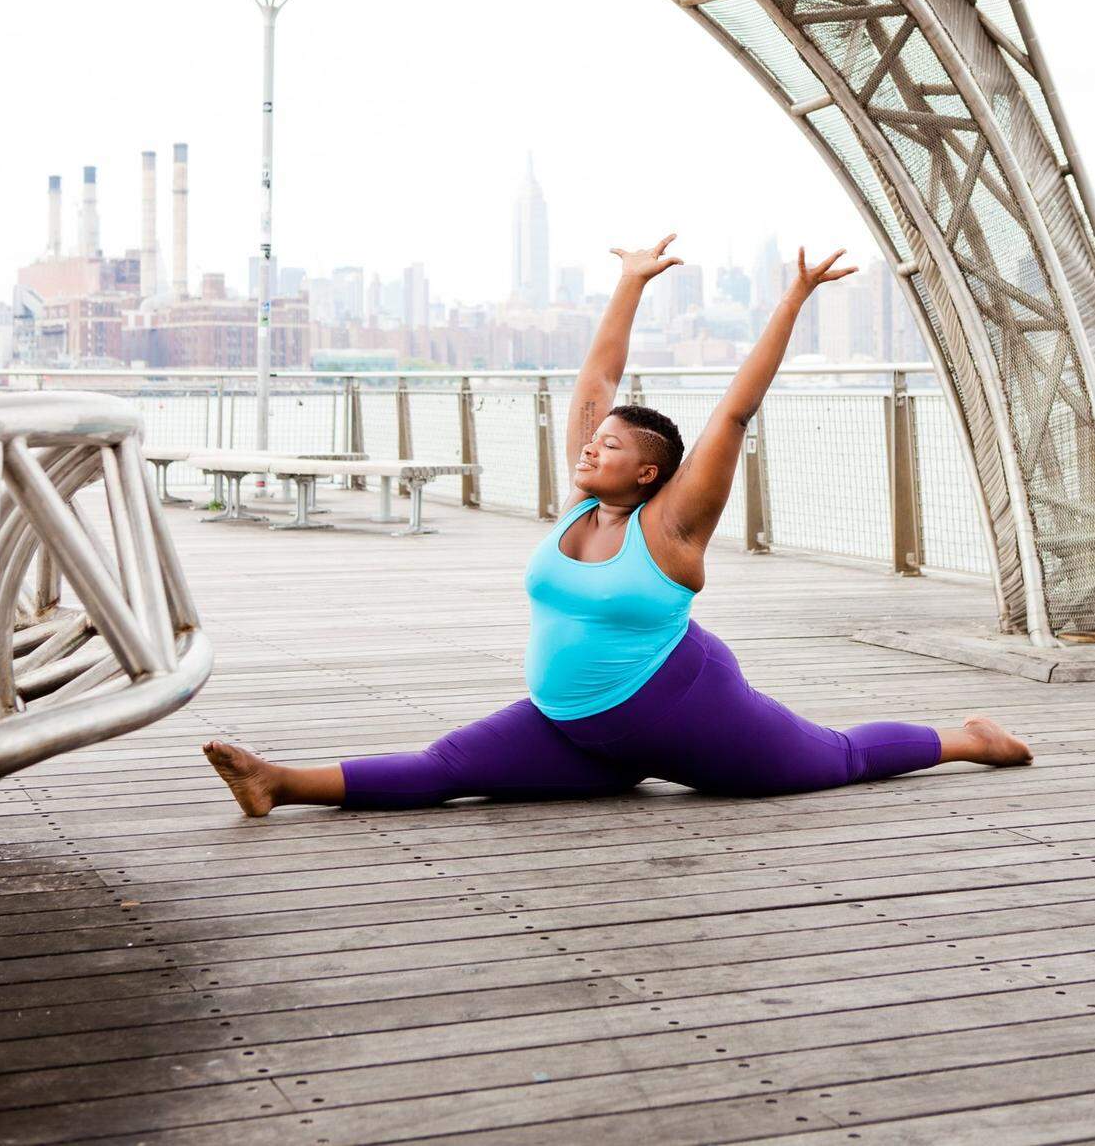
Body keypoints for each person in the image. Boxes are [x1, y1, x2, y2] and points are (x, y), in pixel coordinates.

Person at [204, 234, 1031, 817]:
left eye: (608, 446)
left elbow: (736, 412)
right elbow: (598, 373)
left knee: (836, 760)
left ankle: (969, 739)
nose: (588, 446)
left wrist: (794, 297)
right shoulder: (578, 503)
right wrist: (632, 279)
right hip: (572, 725)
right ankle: (277, 781)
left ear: (648, 472)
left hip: (689, 710)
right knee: (447, 768)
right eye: (589, 439)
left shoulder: (673, 529)